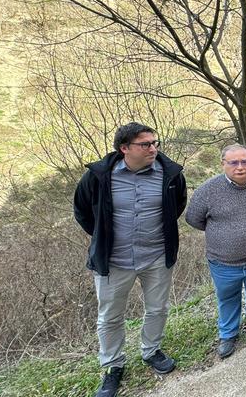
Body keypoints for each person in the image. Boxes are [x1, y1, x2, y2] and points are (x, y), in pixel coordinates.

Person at [73, 122, 187, 397]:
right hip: (113, 260)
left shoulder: (170, 174)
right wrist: (104, 237)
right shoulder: (99, 176)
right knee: (110, 317)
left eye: (155, 142)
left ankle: (151, 351)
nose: (153, 148)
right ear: (124, 148)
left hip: (156, 256)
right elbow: (83, 211)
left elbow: (177, 206)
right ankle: (112, 366)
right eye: (145, 144)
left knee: (157, 308)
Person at [185, 144, 246, 359]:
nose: (240, 167)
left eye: (244, 162)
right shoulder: (207, 191)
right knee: (227, 299)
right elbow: (193, 218)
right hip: (223, 263)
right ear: (223, 164)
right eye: (233, 162)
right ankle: (228, 335)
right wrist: (224, 234)